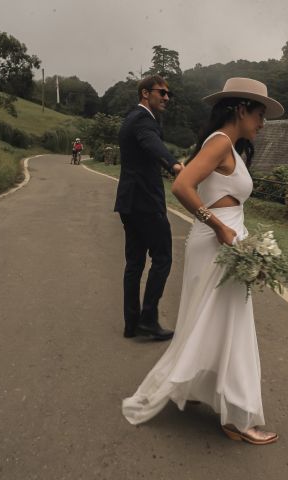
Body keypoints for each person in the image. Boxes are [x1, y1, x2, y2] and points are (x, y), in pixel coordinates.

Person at [122, 78, 284, 445]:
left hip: (223, 242)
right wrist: (221, 230)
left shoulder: (230, 146)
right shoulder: (221, 143)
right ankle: (237, 417)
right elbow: (182, 187)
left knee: (215, 322)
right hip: (218, 243)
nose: (262, 123)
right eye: (260, 114)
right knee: (232, 326)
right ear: (241, 110)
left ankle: (206, 391)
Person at [114, 75, 184, 341]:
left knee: (134, 263)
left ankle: (131, 323)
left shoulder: (130, 117)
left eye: (168, 94)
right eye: (162, 93)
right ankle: (148, 318)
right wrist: (174, 164)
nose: (167, 97)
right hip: (145, 202)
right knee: (163, 257)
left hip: (129, 201)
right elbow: (151, 144)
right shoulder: (144, 120)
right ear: (145, 94)